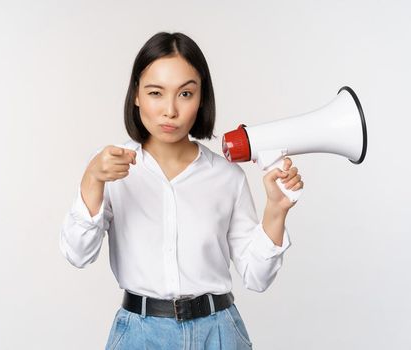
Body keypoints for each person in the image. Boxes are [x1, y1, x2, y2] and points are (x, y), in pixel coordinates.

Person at [60, 32, 303, 349]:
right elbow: (78, 255)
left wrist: (276, 209)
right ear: (136, 95)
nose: (170, 110)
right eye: (156, 93)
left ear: (201, 97)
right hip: (139, 335)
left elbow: (257, 278)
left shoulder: (227, 177)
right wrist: (92, 179)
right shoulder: (110, 167)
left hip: (219, 334)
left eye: (185, 94)